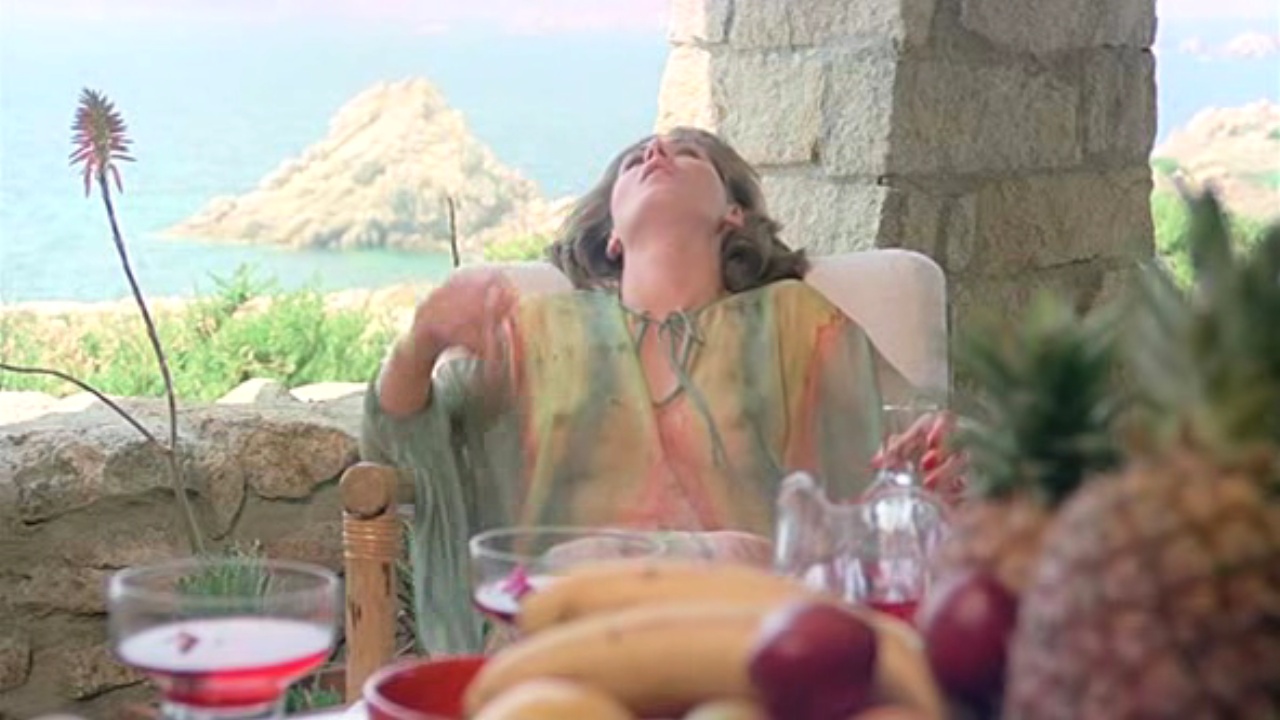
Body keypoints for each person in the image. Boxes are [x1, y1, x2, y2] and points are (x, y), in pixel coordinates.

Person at [361, 127, 964, 654]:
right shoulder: (537, 329)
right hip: (561, 636)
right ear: (612, 237)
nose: (655, 153)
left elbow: (862, 482)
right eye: (635, 161)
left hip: (756, 630)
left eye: (688, 154)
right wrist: (421, 343)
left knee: (745, 559)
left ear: (733, 213)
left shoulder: (797, 320)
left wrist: (924, 480)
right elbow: (402, 446)